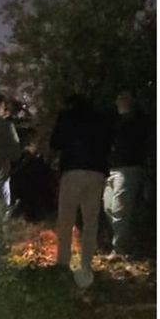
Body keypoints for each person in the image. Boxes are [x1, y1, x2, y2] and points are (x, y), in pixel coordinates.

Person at [50, 94, 111, 288]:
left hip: (73, 170)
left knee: (66, 219)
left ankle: (63, 264)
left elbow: (55, 143)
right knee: (90, 221)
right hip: (96, 172)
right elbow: (108, 144)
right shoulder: (101, 119)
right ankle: (86, 265)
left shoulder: (66, 116)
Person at [103, 90, 148, 258]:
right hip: (111, 169)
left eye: (125, 99)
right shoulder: (114, 121)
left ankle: (120, 249)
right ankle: (122, 244)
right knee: (108, 207)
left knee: (120, 209)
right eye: (119, 99)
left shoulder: (138, 121)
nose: (121, 102)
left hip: (128, 168)